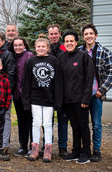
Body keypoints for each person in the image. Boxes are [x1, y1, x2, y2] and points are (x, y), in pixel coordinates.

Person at [79, 24, 112, 162]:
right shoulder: (79, 51)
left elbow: (111, 72)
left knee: (96, 124)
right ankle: (84, 148)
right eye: (86, 34)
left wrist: (102, 90)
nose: (88, 36)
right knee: (82, 123)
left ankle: (96, 150)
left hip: (96, 95)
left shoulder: (104, 52)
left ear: (95, 35)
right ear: (83, 36)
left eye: (91, 33)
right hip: (82, 95)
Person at [22, 38, 63, 163]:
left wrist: (58, 100)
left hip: (49, 99)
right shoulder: (31, 61)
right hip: (35, 98)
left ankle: (48, 150)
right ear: (35, 47)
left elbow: (58, 82)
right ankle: (34, 149)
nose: (40, 48)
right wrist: (26, 100)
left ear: (47, 47)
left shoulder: (54, 61)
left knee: (47, 123)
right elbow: (26, 82)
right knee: (36, 122)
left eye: (43, 46)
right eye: (38, 46)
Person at [59, 30, 94, 164]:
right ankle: (75, 151)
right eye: (66, 41)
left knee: (83, 125)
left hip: (81, 100)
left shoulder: (84, 57)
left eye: (71, 41)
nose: (69, 43)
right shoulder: (61, 57)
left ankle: (86, 152)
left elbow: (89, 79)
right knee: (74, 126)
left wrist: (86, 99)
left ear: (76, 42)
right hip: (68, 100)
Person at [0, 32, 16, 154]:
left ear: (3, 41)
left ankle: (4, 144)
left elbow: (11, 74)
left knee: (5, 116)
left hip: (4, 91)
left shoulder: (8, 55)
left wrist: (5, 91)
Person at [46, 24, 69, 158]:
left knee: (62, 121)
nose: (54, 36)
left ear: (60, 34)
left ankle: (63, 147)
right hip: (48, 92)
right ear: (48, 35)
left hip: (63, 92)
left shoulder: (65, 49)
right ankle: (46, 145)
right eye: (51, 34)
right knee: (47, 122)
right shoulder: (45, 49)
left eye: (56, 33)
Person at [9, 37, 34, 156]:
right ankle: (22, 146)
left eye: (20, 45)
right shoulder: (13, 57)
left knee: (30, 121)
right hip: (17, 95)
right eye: (15, 45)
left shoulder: (29, 56)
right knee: (21, 121)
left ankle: (32, 147)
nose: (18, 47)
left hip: (28, 95)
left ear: (24, 45)